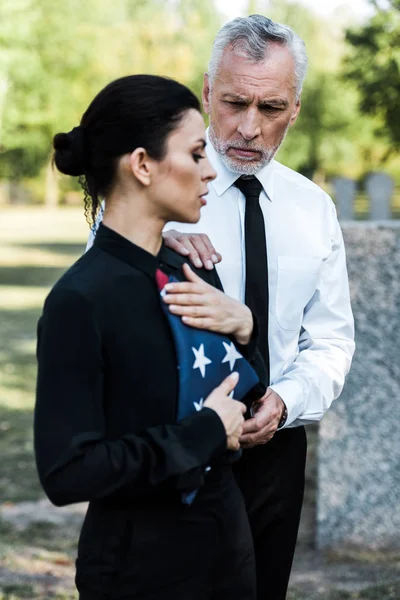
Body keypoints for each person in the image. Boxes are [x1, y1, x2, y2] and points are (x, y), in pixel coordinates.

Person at [34, 74, 265, 600]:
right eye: (196, 152)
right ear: (141, 164)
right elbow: (68, 471)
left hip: (228, 552)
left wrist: (245, 327)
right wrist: (202, 433)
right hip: (141, 571)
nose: (211, 171)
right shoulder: (79, 301)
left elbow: (245, 396)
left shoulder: (194, 269)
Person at [159, 15, 356, 600]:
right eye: (233, 102)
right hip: (177, 443)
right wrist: (146, 249)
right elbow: (98, 296)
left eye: (270, 108)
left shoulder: (313, 210)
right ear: (205, 93)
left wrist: (285, 400)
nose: (248, 127)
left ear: (295, 108)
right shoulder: (155, 193)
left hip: (278, 450)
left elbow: (331, 341)